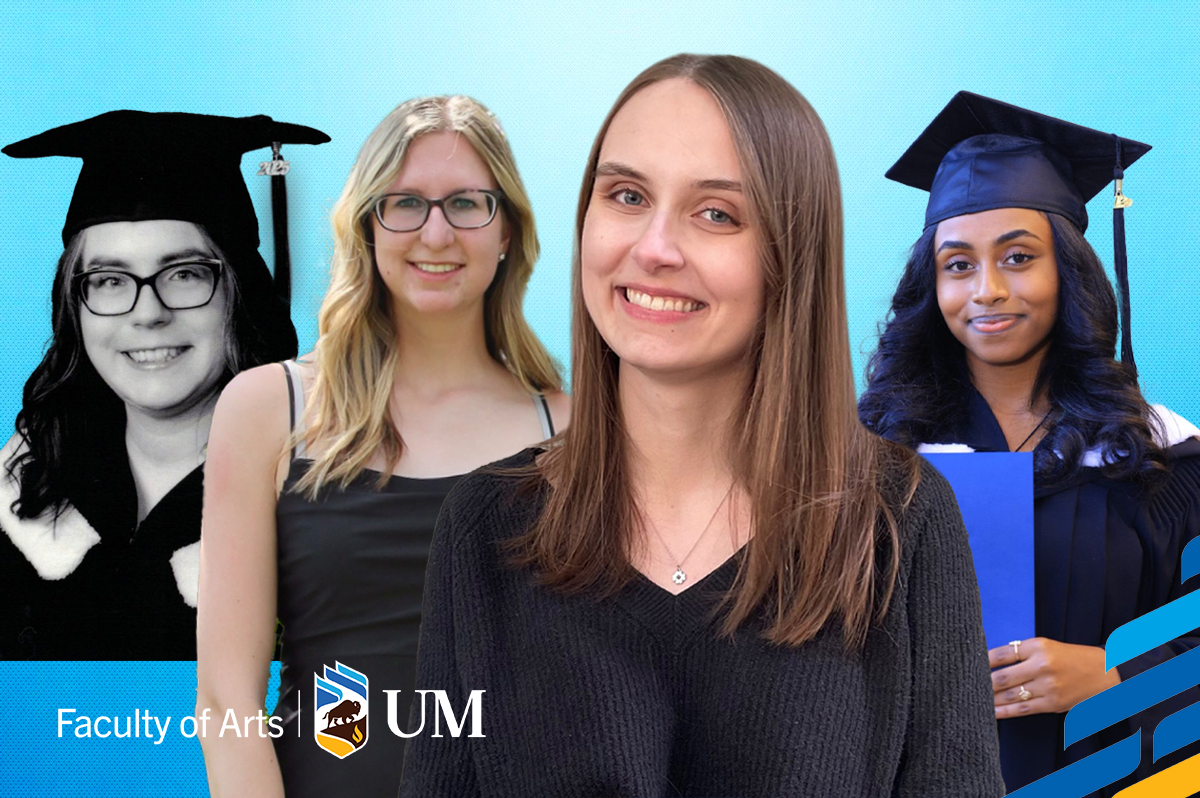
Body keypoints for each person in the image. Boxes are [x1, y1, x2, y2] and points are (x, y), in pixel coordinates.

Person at [399, 55, 1004, 798]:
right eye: (625, 195)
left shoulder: (899, 521)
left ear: (792, 254)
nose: (654, 248)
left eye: (716, 213)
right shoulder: (486, 529)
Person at [196, 95, 568, 798]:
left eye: (466, 203)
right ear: (367, 225)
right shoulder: (266, 409)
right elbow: (225, 702)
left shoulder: (572, 433)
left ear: (508, 232)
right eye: (405, 204)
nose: (436, 233)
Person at [858, 92, 1200, 794]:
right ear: (933, 283)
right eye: (958, 265)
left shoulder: (1159, 456)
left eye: (1017, 257)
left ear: (1066, 272)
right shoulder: (876, 454)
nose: (985, 290)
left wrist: (1114, 675)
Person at [0, 111, 327, 660]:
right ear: (74, 309)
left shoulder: (337, 509)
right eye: (108, 280)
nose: (146, 313)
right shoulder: (20, 499)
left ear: (239, 295)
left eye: (185, 274)